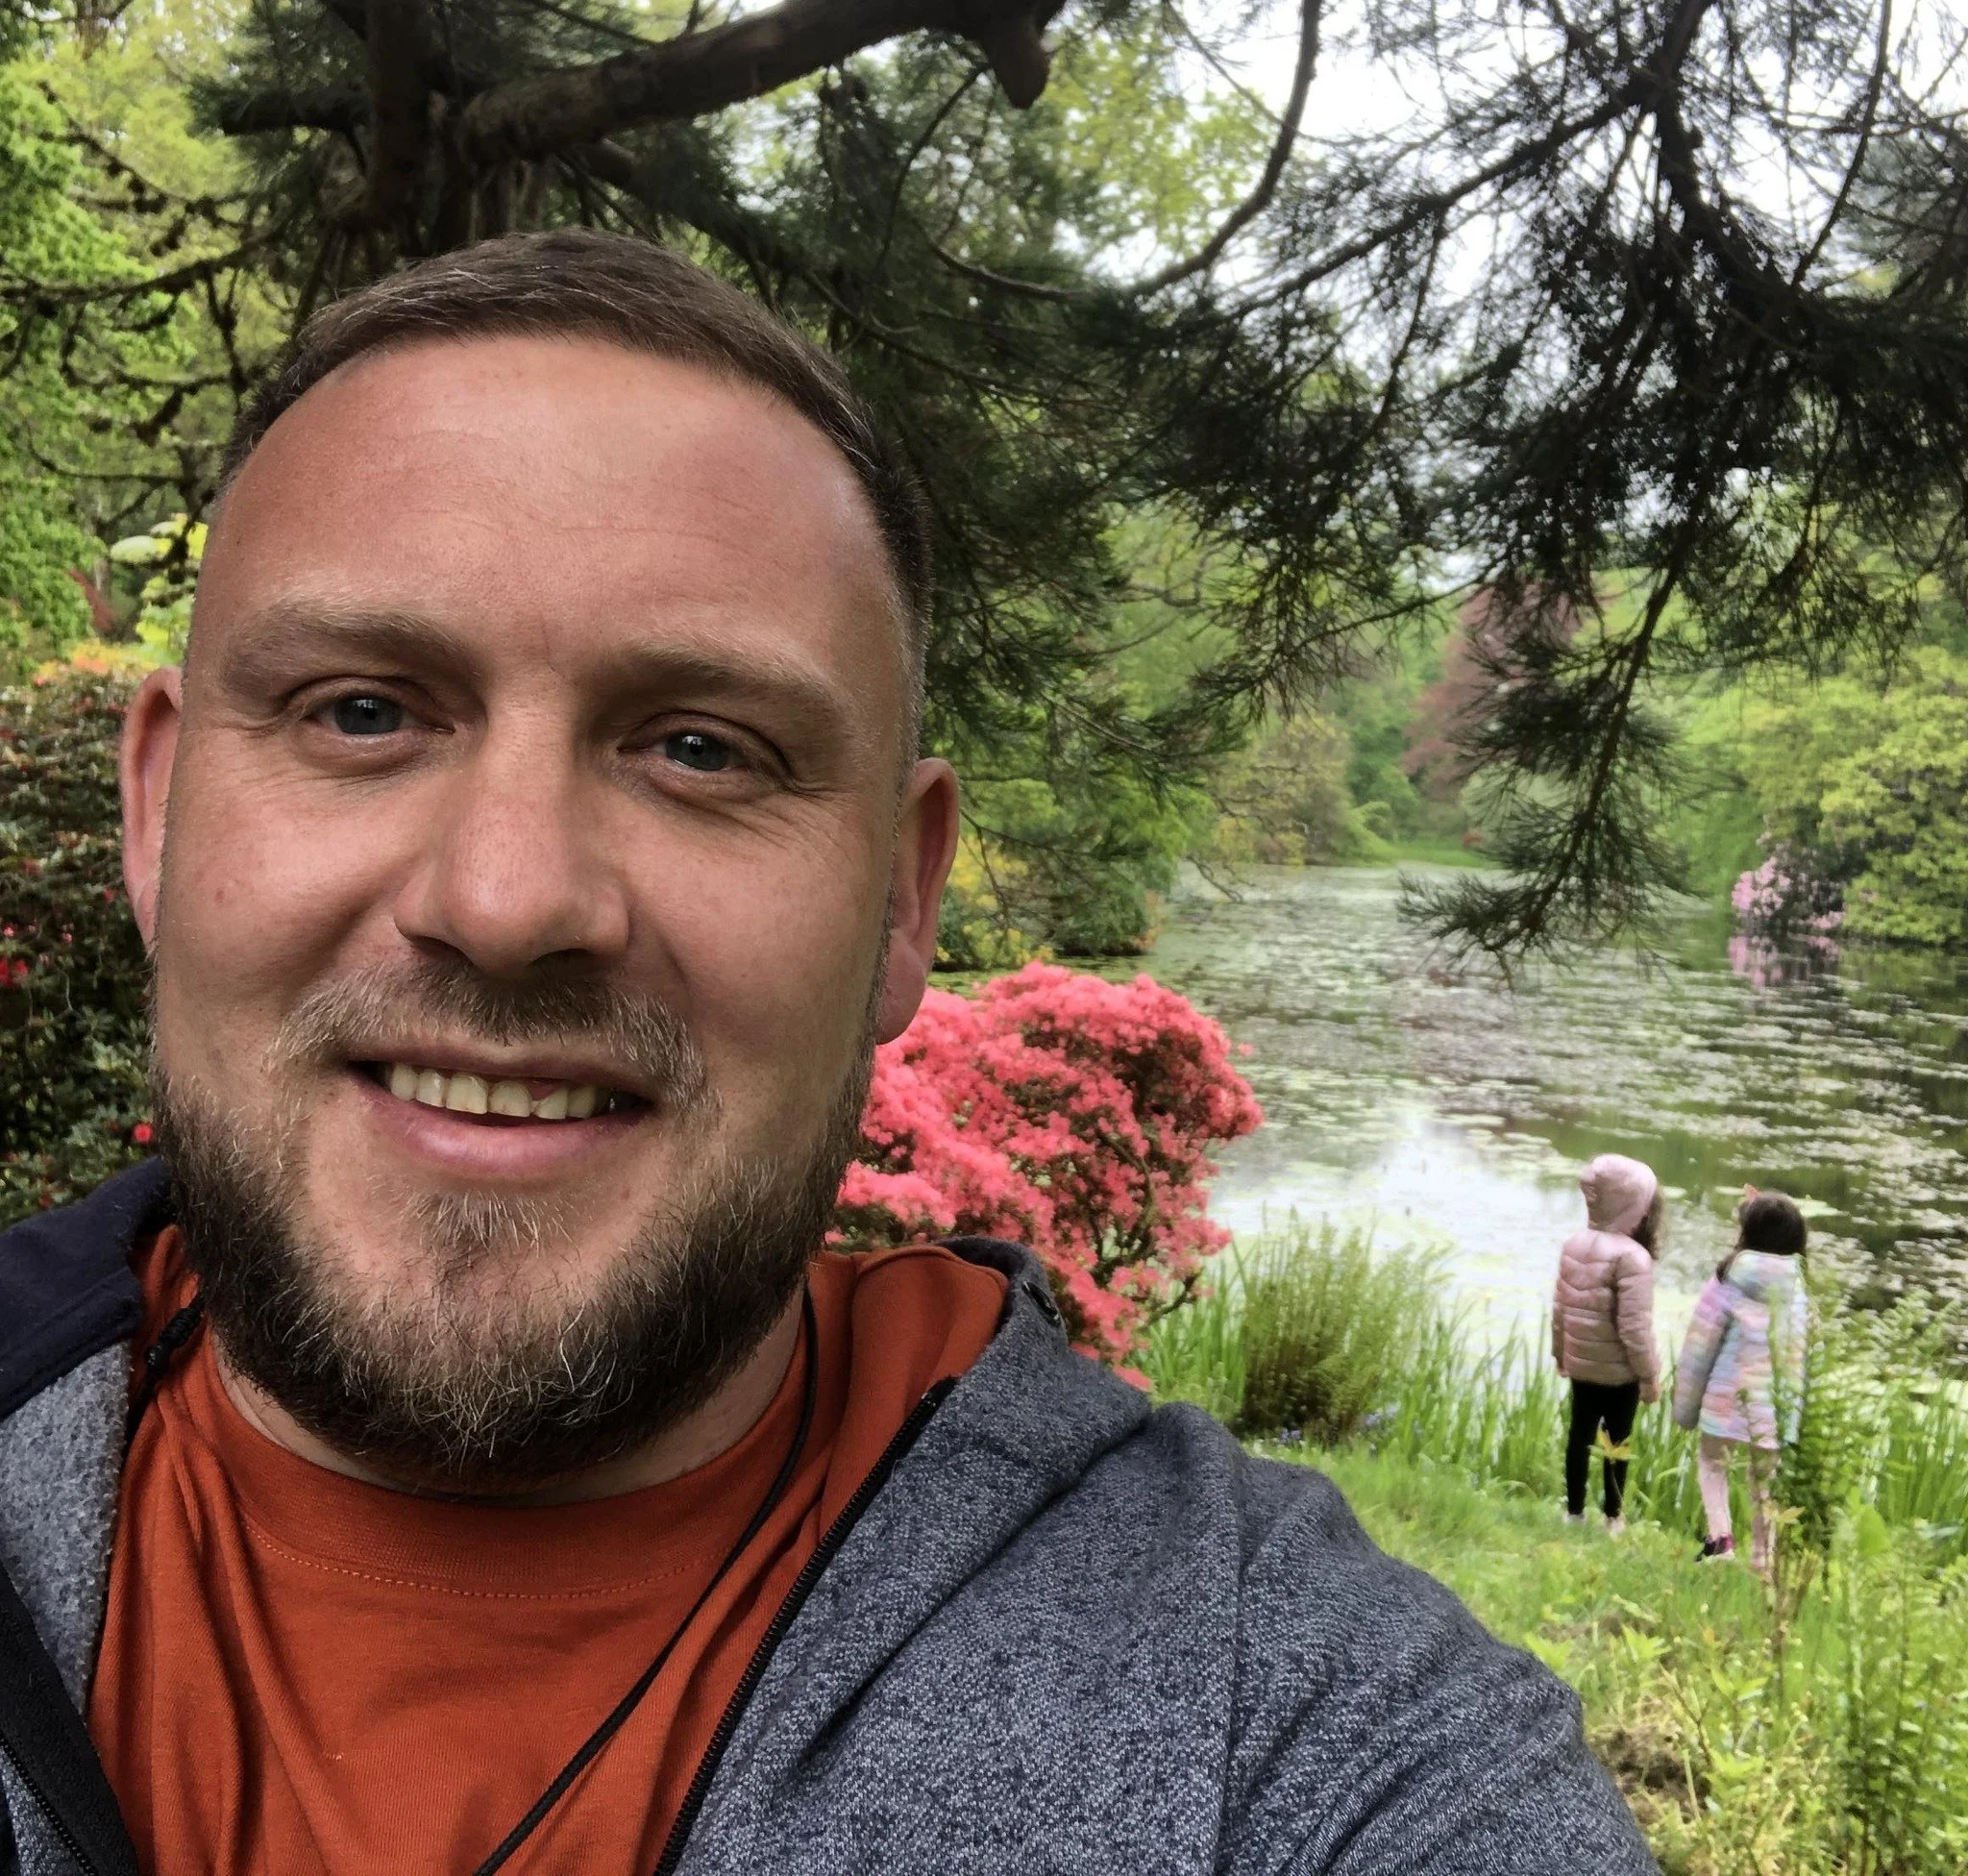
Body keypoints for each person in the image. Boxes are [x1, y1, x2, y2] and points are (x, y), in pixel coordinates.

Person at [0, 231, 1656, 1876]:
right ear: (156, 813)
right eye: (362, 711)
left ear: (899, 899)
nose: (503, 899)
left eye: (703, 748)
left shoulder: (1289, 1718)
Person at [1673, 1187, 1809, 1573]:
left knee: (1712, 1463)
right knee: (1764, 1481)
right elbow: (1798, 1357)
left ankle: (1721, 1542)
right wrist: (1792, 1417)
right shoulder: (1798, 1287)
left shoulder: (1728, 1276)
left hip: (1725, 1396)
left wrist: (1685, 1408)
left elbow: (1700, 1345)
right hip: (1774, 1406)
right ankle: (1763, 1558)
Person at [1551, 1153, 1663, 1537]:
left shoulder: (1574, 1244)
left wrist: (1559, 1353)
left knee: (1578, 1437)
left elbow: (1560, 1307)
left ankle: (1574, 1512)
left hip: (1582, 1366)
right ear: (1636, 1208)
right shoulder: (1633, 1258)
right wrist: (1649, 1376)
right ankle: (1613, 1517)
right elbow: (1634, 1329)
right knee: (1617, 1441)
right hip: (1619, 1375)